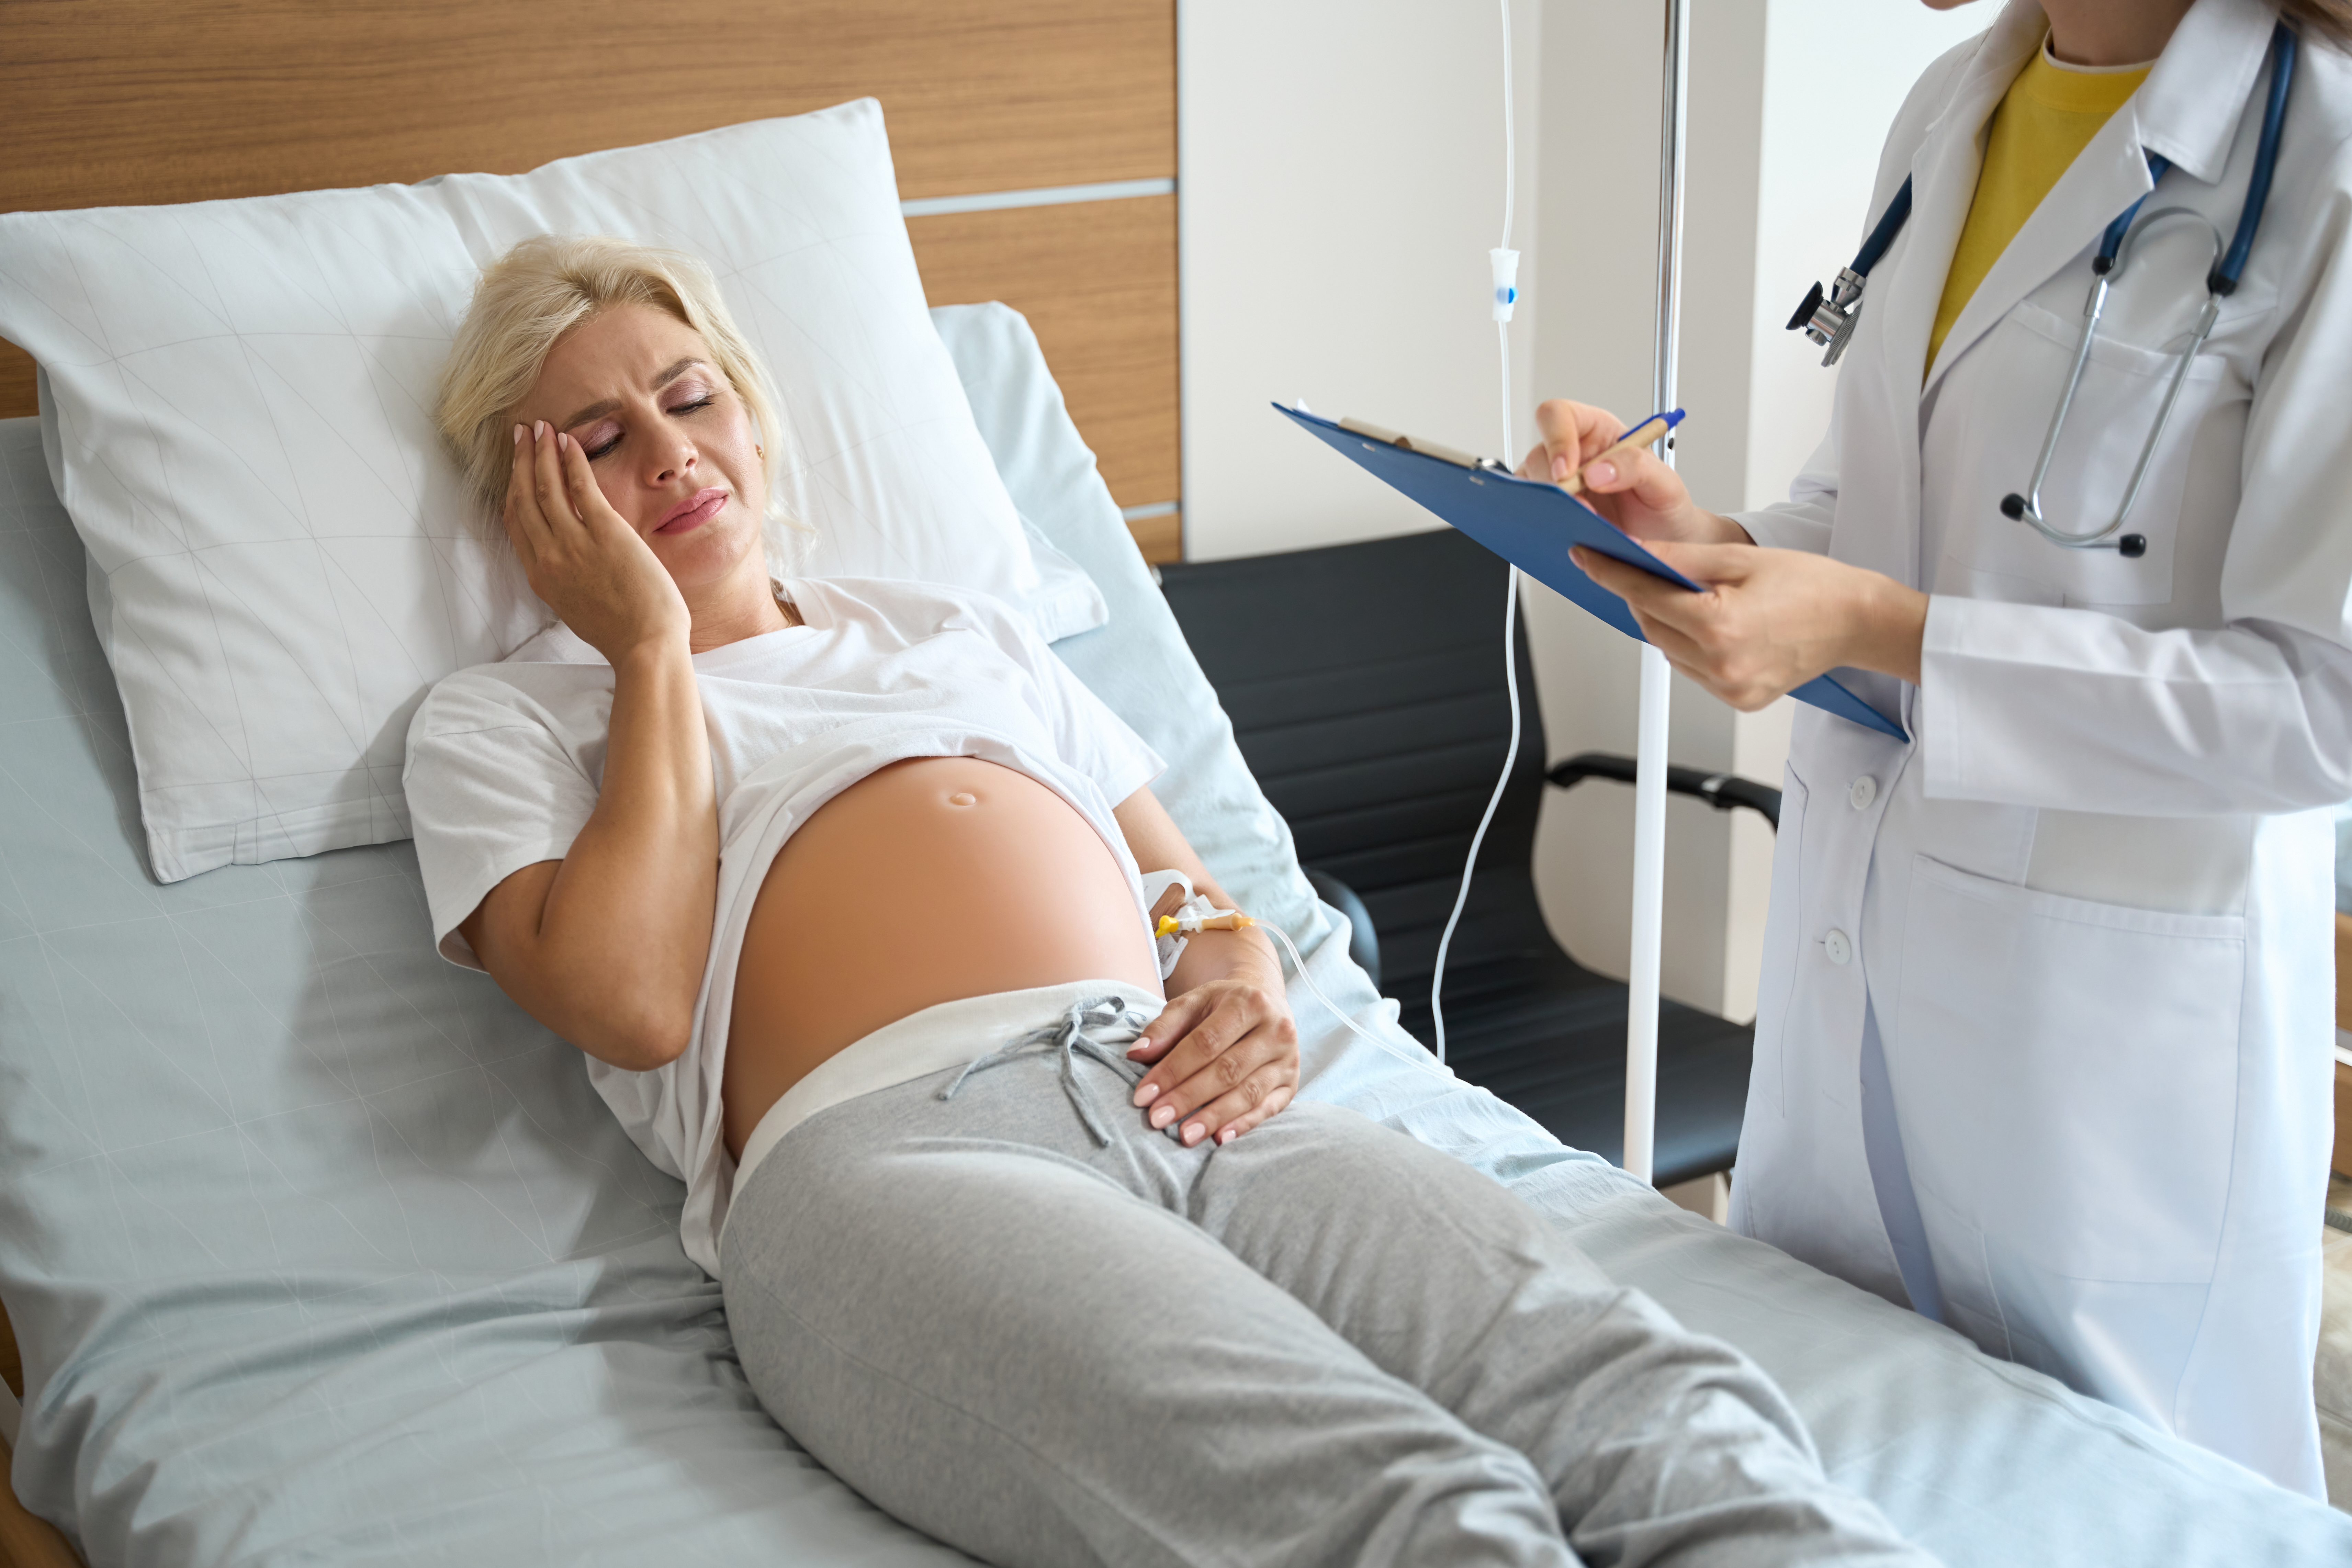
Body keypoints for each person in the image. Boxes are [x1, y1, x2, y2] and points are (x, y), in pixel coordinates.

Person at [402, 234, 1933, 1566]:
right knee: (1394, 1504)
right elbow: (632, 1003)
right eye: (595, 444)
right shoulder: (511, 722)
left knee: (1646, 1403)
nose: (668, 455)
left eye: (689, 400)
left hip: (1177, 1088)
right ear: (526, 507)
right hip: (894, 1159)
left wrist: (1237, 973)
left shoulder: (954, 628)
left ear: (750, 413)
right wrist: (649, 652)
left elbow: (1192, 893)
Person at [1529, 0, 2350, 1499]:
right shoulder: (1951, 106)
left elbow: (2319, 701)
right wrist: (1702, 538)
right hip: (1860, 969)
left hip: (2107, 1070)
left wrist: (1883, 629)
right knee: (1821, 1483)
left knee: (2112, 1505)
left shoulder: (2327, 164)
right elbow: (1873, 512)